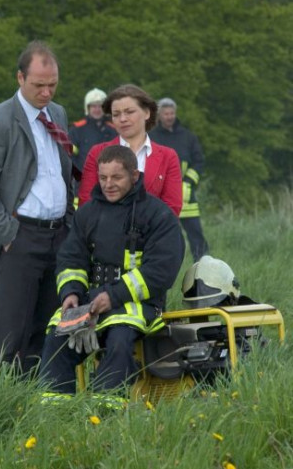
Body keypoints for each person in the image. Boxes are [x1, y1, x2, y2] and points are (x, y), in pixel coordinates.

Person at [38, 145, 184, 400]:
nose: (108, 184)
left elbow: (161, 271)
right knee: (56, 339)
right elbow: (71, 258)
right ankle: (55, 411)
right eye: (103, 177)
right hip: (89, 303)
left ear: (134, 176)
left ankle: (106, 410)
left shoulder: (158, 215)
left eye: (116, 177)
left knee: (119, 340)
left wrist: (114, 296)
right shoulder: (87, 214)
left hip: (137, 305)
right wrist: (71, 293)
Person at [0, 41, 74, 380]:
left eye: (52, 85)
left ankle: (36, 394)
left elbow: (63, 171)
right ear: (20, 78)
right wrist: (7, 234)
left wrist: (70, 223)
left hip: (58, 235)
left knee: (48, 324)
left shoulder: (58, 115)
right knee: (8, 328)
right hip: (19, 236)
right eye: (39, 85)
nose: (46, 92)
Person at [77, 84, 182, 217]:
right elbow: (87, 204)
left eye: (129, 112)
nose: (122, 119)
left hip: (154, 230)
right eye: (116, 114)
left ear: (147, 113)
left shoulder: (168, 156)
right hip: (105, 229)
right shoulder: (97, 153)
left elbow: (172, 208)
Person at [150, 98, 210, 261]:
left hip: (186, 194)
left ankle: (202, 265)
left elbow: (199, 161)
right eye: (166, 114)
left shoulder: (188, 137)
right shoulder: (152, 137)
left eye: (172, 113)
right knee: (161, 234)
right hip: (160, 194)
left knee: (195, 233)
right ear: (159, 115)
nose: (169, 117)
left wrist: (188, 182)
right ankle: (162, 264)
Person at [68, 88, 117, 180]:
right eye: (94, 106)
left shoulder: (114, 129)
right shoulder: (77, 129)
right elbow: (69, 155)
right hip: (83, 179)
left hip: (109, 179)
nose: (97, 109)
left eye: (100, 106)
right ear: (88, 108)